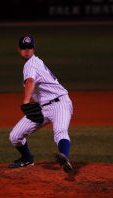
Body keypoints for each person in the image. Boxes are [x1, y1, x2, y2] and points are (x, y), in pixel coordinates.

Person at [8, 35, 73, 173]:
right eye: (24, 48)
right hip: (42, 107)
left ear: (33, 49)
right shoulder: (32, 63)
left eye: (29, 48)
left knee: (60, 131)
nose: (27, 51)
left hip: (59, 103)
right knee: (15, 136)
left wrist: (26, 101)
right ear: (19, 50)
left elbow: (30, 81)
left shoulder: (31, 63)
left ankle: (65, 159)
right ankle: (27, 158)